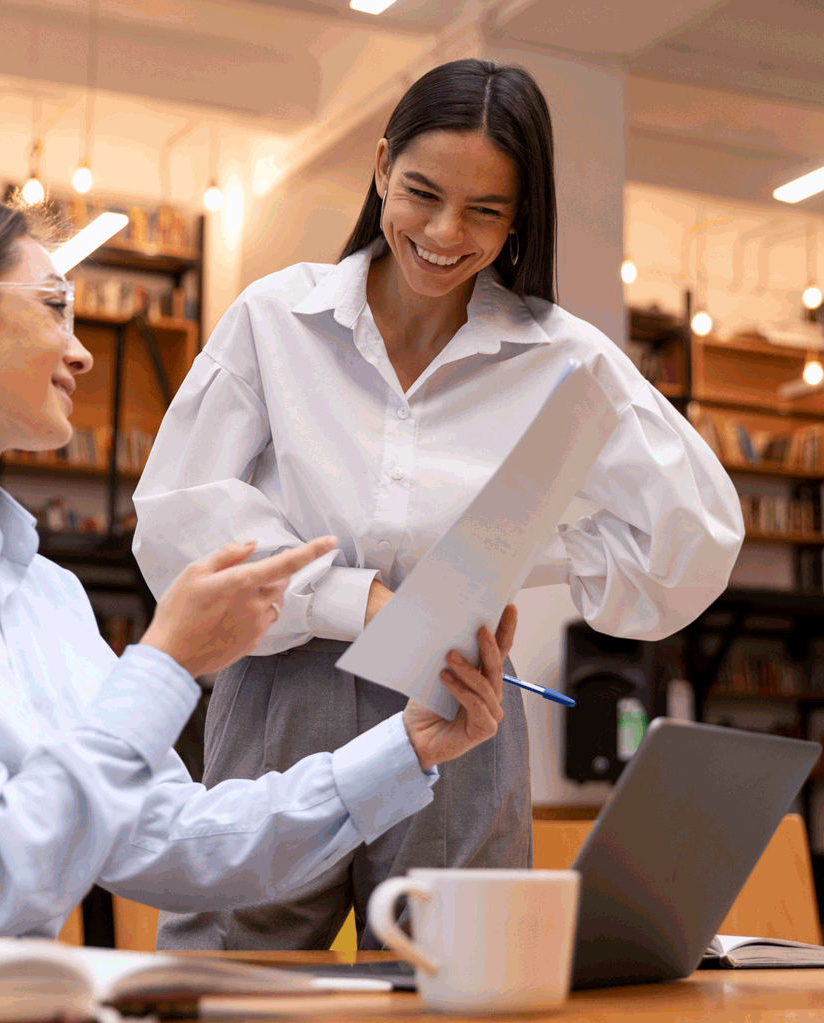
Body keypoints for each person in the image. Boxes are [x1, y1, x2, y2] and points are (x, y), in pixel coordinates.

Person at [0, 184, 516, 970]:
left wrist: (406, 748)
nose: (80, 351)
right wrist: (165, 665)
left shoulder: (40, 590)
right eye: (54, 308)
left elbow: (172, 840)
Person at [133, 58, 744, 953]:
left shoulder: (563, 358)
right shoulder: (277, 318)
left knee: (460, 980)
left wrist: (535, 547)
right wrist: (359, 603)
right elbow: (178, 527)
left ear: (522, 215)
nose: (446, 232)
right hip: (280, 690)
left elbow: (695, 539)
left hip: (463, 699)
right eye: (421, 192)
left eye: (486, 211)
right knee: (236, 976)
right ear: (381, 167)